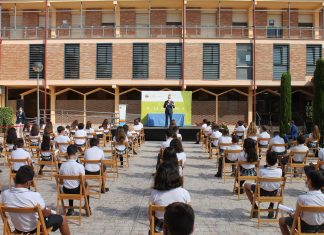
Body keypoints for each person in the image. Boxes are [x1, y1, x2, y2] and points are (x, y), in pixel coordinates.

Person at [2, 165, 71, 235]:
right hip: (35, 228)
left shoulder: (5, 194)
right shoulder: (34, 195)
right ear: (28, 183)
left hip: (18, 228)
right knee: (63, 219)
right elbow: (45, 214)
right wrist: (49, 211)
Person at [149, 162, 191, 233]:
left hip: (160, 227)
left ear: (159, 177)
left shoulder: (155, 193)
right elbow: (188, 214)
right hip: (180, 227)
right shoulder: (184, 193)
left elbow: (150, 215)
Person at [279, 170, 324, 235]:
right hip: (321, 227)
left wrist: (291, 214)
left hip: (305, 227)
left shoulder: (302, 198)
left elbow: (296, 216)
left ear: (310, 181)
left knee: (281, 221)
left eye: (307, 179)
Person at [244, 152, 283, 218]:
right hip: (274, 193)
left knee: (245, 185)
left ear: (266, 161)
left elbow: (258, 183)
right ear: (276, 161)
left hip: (261, 192)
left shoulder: (261, 171)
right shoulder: (280, 171)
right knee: (276, 187)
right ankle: (271, 206)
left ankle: (255, 207)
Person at [59, 145, 89, 216]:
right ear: (76, 154)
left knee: (69, 184)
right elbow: (83, 181)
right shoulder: (80, 166)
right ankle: (88, 207)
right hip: (76, 191)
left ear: (67, 153)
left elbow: (60, 181)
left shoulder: (62, 165)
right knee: (86, 185)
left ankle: (70, 208)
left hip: (66, 190)